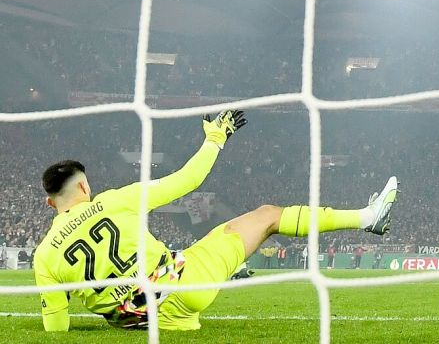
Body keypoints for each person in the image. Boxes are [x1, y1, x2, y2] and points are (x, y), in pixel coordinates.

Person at [33, 110, 398, 331]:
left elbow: (57, 325)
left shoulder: (45, 256)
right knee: (267, 216)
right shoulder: (113, 201)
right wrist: (215, 139)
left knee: (201, 244)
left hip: (137, 321)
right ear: (84, 184)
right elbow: (188, 180)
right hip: (183, 287)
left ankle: (216, 276)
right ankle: (367, 217)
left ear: (51, 202)